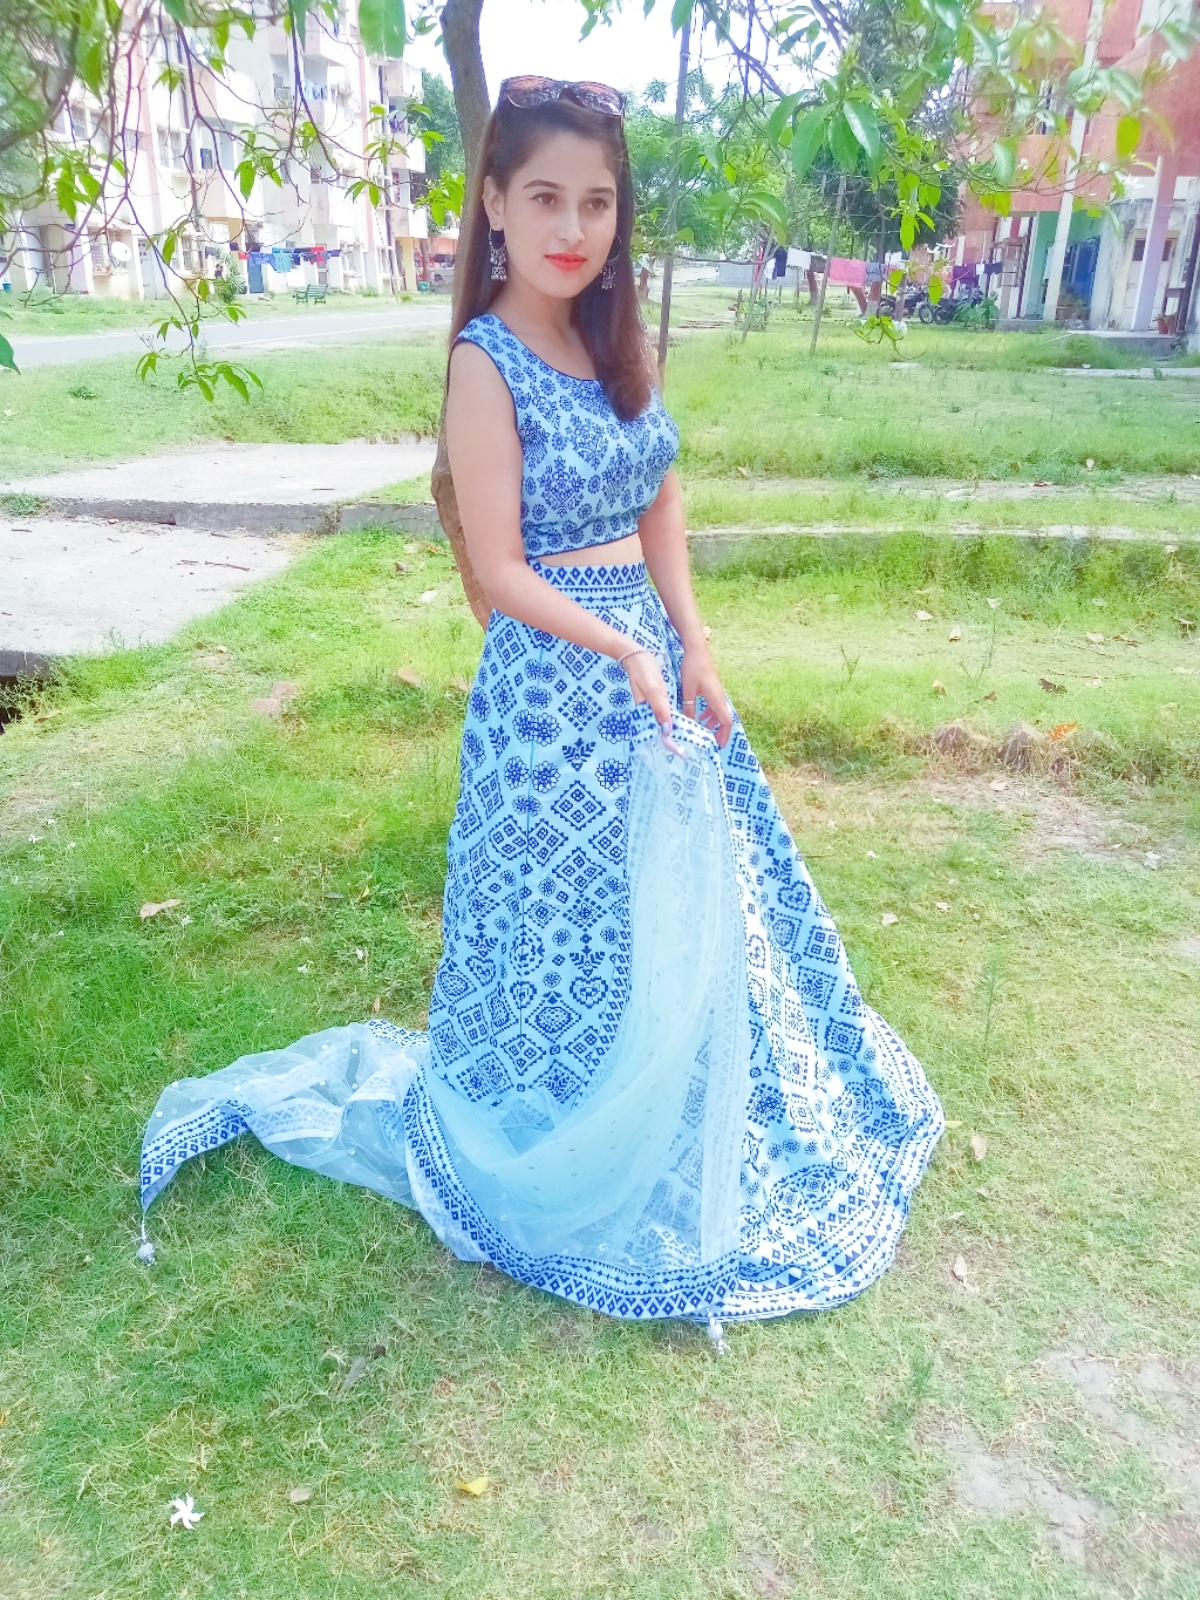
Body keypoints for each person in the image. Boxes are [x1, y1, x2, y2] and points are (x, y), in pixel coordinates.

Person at [139, 77, 943, 1342]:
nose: (575, 228)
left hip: (649, 667)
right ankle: (568, 1121)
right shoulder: (486, 358)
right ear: (496, 206)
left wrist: (692, 642)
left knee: (672, 902)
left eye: (599, 203)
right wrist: (617, 641)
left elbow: (660, 495)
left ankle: (680, 1107)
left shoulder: (612, 340)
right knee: (568, 922)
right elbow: (503, 566)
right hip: (553, 692)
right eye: (548, 198)